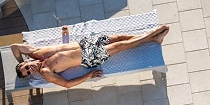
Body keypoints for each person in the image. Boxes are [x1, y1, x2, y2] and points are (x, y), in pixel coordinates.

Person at [12, 25, 169, 89]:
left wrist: (20, 61)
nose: (30, 69)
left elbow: (15, 47)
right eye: (29, 72)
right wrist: (88, 76)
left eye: (26, 67)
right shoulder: (46, 71)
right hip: (89, 56)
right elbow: (67, 84)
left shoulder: (35, 52)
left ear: (26, 61)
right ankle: (151, 37)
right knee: (121, 46)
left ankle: (150, 37)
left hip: (85, 43)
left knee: (120, 37)